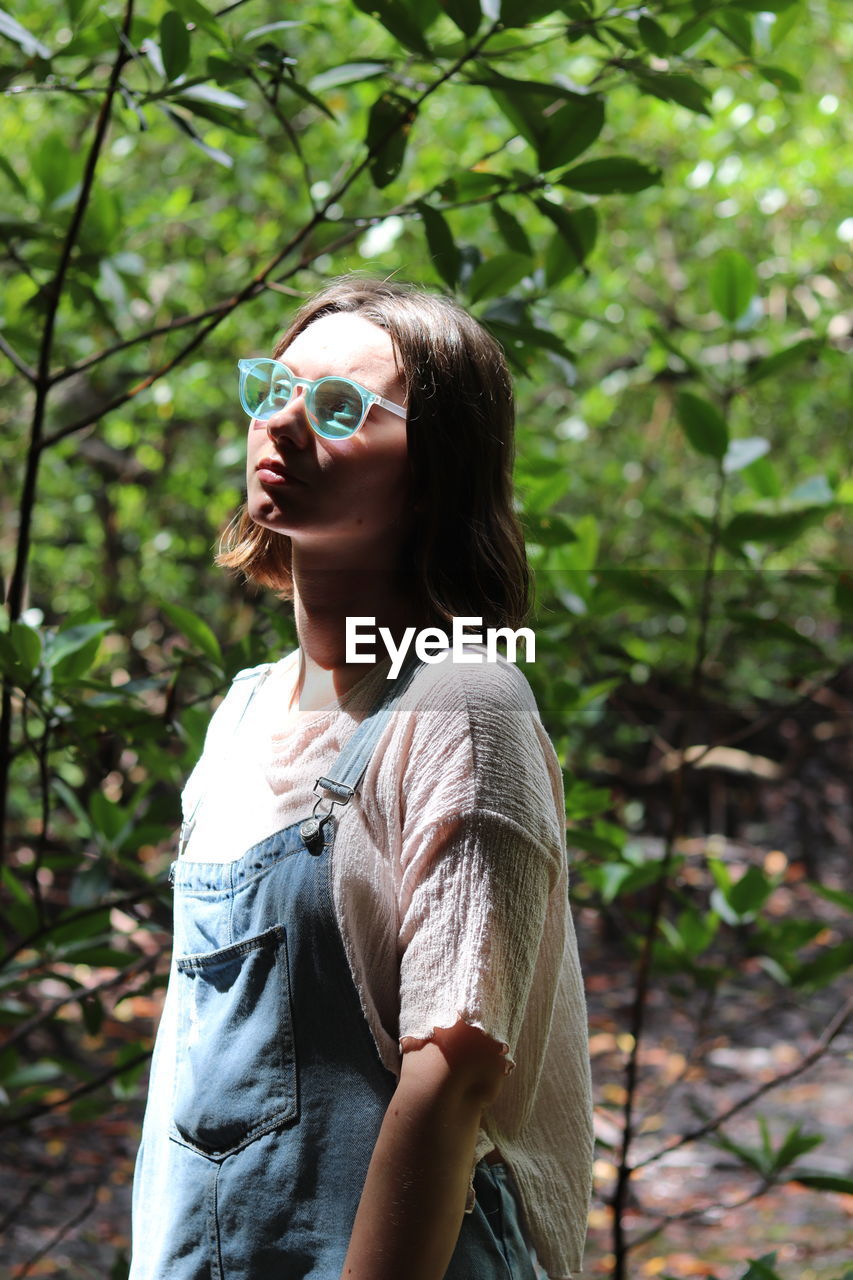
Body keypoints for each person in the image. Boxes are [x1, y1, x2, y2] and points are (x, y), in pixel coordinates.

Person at [130, 277, 593, 1280]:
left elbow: (454, 1064)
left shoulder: (464, 702)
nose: (285, 427)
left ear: (434, 473)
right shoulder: (244, 712)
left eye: (339, 407)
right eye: (274, 392)